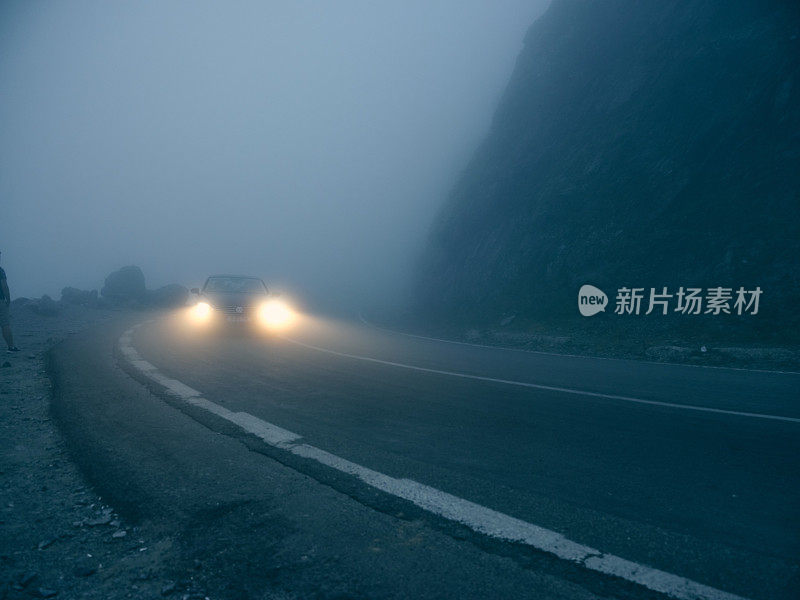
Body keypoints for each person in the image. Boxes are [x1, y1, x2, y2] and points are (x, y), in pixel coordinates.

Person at [0, 251, 20, 352]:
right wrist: (8, 299)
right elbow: (4, 286)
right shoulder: (0, 271)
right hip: (0, 301)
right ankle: (11, 347)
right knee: (5, 324)